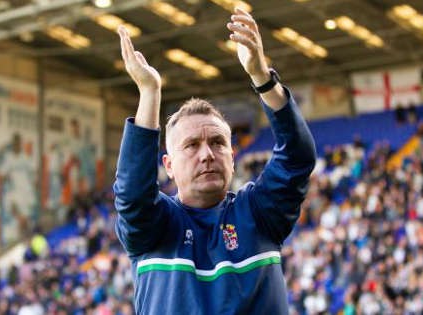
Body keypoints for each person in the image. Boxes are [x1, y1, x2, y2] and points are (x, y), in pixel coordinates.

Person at [113, 8, 316, 315]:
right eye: (191, 145)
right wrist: (149, 93)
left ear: (232, 156)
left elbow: (297, 156)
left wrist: (261, 77)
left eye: (218, 142)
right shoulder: (154, 226)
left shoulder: (259, 214)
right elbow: (132, 195)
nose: (207, 153)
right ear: (168, 166)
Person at [0, 133, 35, 241]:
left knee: (26, 221)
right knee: (19, 219)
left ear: (21, 144)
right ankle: (20, 242)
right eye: (15, 143)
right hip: (14, 194)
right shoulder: (8, 157)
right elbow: (2, 175)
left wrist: (33, 183)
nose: (17, 145)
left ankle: (26, 241)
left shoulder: (25, 158)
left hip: (26, 193)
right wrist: (7, 177)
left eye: (18, 143)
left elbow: (33, 173)